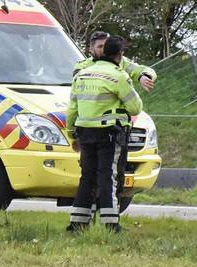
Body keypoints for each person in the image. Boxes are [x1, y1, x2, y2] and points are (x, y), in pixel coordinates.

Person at [66, 36, 142, 233]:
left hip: (85, 133)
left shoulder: (82, 74)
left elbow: (72, 110)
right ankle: (110, 224)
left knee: (87, 176)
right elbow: (135, 108)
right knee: (108, 177)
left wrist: (72, 135)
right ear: (120, 55)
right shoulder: (118, 76)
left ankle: (78, 223)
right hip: (109, 133)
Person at [74, 31, 156, 203]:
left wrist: (144, 76)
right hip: (105, 132)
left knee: (101, 176)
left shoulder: (121, 64)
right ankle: (108, 221)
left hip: (99, 131)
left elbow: (141, 69)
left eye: (106, 46)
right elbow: (135, 107)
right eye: (100, 47)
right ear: (90, 49)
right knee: (102, 176)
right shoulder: (83, 68)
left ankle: (84, 220)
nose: (104, 50)